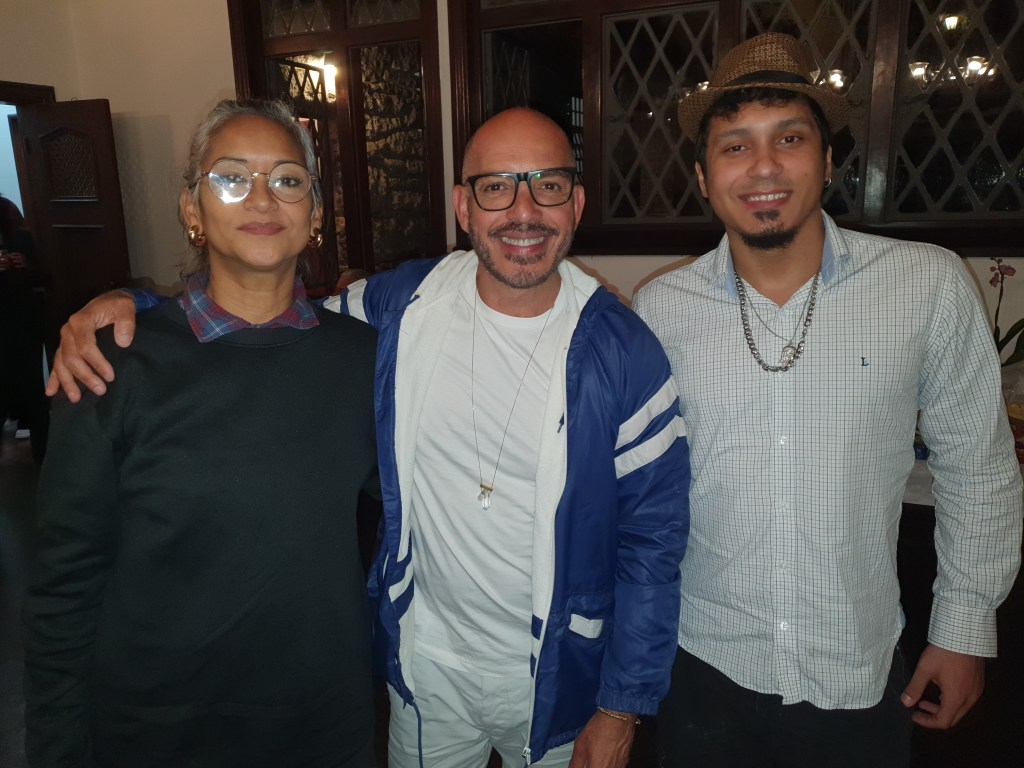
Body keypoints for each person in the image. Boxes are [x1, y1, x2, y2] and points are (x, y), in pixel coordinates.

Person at [42, 107, 690, 767]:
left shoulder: (621, 351)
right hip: (416, 673)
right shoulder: (401, 309)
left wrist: (621, 707)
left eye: (548, 186)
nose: (523, 210)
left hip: (555, 675)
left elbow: (655, 542)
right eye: (496, 186)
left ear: (576, 203)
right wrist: (133, 306)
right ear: (463, 207)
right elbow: (246, 324)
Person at [631, 32, 1023, 767]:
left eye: (790, 138)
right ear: (704, 176)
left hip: (855, 669)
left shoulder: (925, 286)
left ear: (830, 160)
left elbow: (978, 467)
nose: (764, 166)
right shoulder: (661, 309)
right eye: (735, 146)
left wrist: (963, 631)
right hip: (702, 667)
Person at [23, 99, 379, 768]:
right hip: (160, 729)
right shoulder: (113, 365)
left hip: (322, 723)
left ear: (315, 214)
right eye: (231, 177)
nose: (262, 198)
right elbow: (65, 583)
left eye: (287, 179)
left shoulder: (363, 360)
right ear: (192, 210)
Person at [0, 193, 47, 459]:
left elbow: (43, 275)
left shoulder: (15, 225)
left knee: (33, 388)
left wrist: (25, 264)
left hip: (24, 318)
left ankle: (45, 457)